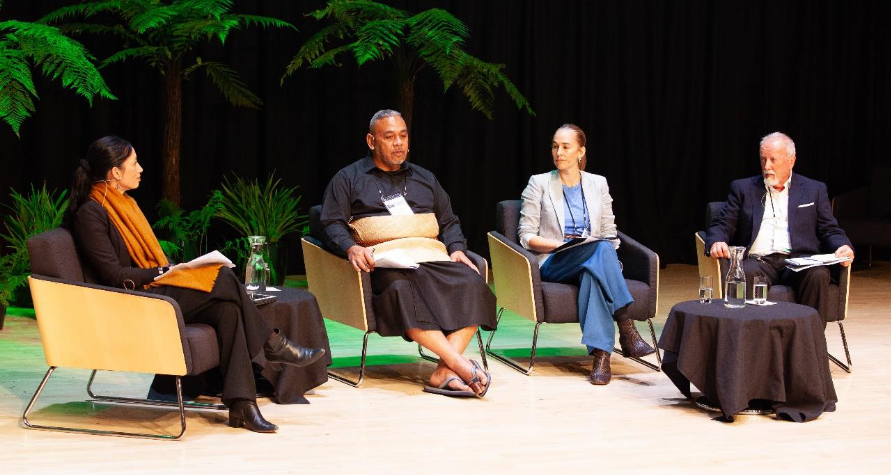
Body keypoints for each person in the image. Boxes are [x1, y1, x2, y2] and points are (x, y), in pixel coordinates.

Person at [67, 136, 325, 433]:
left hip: (149, 290)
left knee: (228, 309)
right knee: (225, 276)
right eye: (133, 163)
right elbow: (113, 275)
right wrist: (163, 271)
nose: (140, 169)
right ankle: (272, 343)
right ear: (115, 172)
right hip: (130, 301)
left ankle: (243, 405)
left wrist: (169, 270)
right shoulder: (92, 212)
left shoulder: (122, 204)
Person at [320, 110, 497, 398]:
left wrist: (457, 249)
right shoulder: (349, 178)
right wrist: (351, 247)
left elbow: (449, 221)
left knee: (474, 282)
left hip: (430, 257)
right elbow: (330, 222)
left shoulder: (425, 178)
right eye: (389, 137)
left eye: (403, 136)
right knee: (401, 290)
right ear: (371, 141)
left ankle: (445, 370)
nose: (398, 143)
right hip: (387, 264)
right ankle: (460, 366)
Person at [517, 124, 655, 385]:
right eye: (555, 146)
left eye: (565, 147)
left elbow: (608, 232)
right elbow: (526, 235)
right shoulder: (540, 183)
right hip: (554, 260)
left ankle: (602, 356)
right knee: (599, 252)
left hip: (591, 257)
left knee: (594, 268)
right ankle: (626, 326)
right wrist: (559, 246)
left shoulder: (597, 184)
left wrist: (602, 254)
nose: (558, 152)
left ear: (580, 152)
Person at [705, 132, 854, 323]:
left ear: (791, 161)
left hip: (800, 261)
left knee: (818, 275)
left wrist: (842, 245)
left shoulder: (814, 190)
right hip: (759, 261)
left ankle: (810, 344)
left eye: (773, 160)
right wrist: (717, 240)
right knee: (745, 272)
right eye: (763, 159)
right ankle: (751, 343)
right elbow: (722, 223)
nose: (767, 167)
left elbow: (829, 229)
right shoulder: (743, 188)